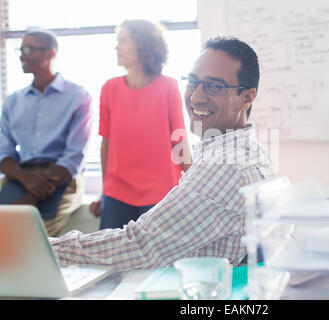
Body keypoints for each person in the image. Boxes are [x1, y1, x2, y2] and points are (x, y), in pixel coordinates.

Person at [50, 37, 274, 271]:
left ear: (247, 98)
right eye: (193, 81)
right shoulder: (253, 153)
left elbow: (140, 246)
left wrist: (48, 249)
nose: (196, 97)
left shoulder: (223, 167)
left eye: (215, 86)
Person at [89, 19, 192, 229]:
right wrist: (104, 191)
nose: (117, 47)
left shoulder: (169, 87)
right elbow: (106, 144)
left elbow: (180, 141)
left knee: (158, 262)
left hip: (161, 194)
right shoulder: (109, 88)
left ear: (143, 45)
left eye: (124, 40)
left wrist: (194, 189)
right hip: (116, 193)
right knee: (110, 259)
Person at [0, 29, 92, 237]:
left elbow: (73, 156)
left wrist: (32, 197)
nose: (22, 55)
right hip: (20, 177)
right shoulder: (13, 102)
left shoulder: (78, 97)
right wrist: (27, 180)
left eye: (29, 49)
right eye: (21, 49)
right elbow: (3, 153)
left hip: (61, 180)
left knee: (29, 238)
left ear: (50, 54)